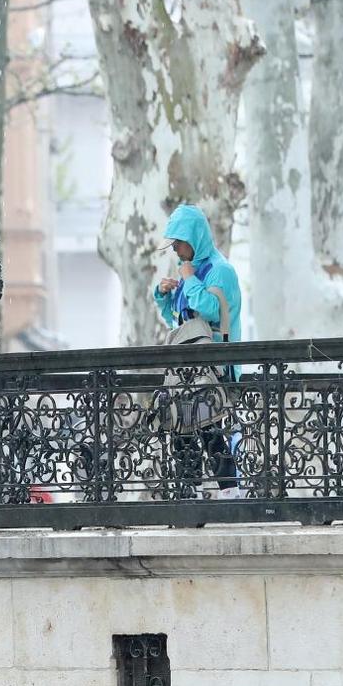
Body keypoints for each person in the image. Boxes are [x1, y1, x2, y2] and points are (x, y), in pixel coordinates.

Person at [152, 204, 244, 499]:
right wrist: (164, 296)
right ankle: (190, 491)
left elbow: (210, 310)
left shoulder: (220, 271)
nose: (175, 249)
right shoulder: (189, 270)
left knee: (209, 427)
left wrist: (189, 280)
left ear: (194, 238)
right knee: (182, 427)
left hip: (214, 369)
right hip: (186, 369)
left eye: (179, 243)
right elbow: (180, 323)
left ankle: (230, 492)